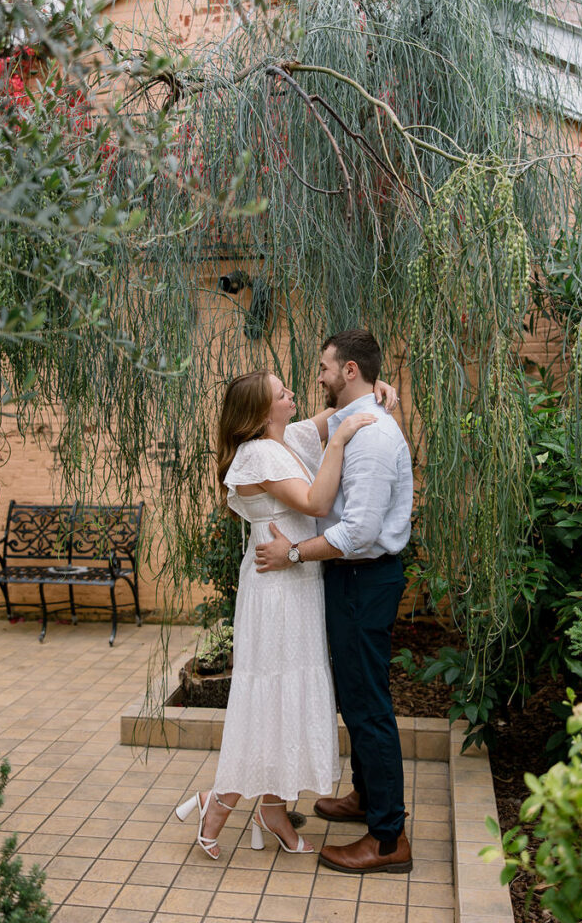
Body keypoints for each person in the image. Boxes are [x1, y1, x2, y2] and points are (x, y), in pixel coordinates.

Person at [176, 368, 397, 860]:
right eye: (282, 392)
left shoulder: (289, 437)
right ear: (261, 410)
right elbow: (316, 500)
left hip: (297, 582)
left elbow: (336, 413)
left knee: (291, 695)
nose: (293, 392)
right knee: (269, 697)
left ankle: (275, 808)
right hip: (276, 592)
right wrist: (340, 440)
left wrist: (376, 394)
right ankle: (220, 802)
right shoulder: (258, 453)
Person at [255, 329, 414, 875]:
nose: (316, 376)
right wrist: (374, 393)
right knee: (359, 695)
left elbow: (359, 532)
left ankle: (388, 838)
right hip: (354, 581)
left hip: (363, 578)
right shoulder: (358, 422)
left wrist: (294, 553)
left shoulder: (369, 438)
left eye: (324, 367)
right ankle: (368, 798)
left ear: (349, 371)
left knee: (368, 706)